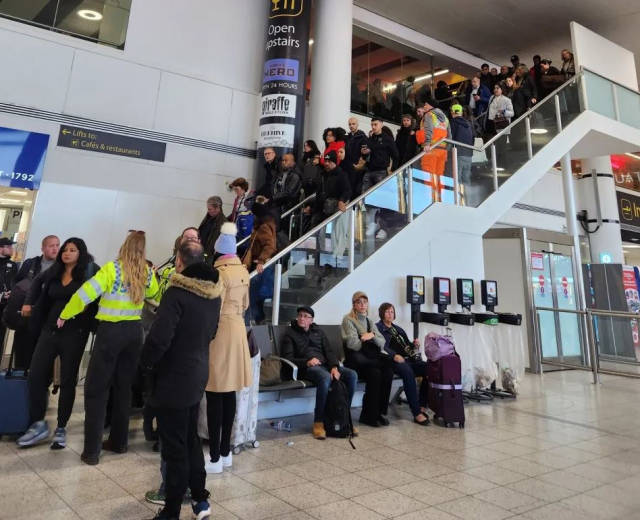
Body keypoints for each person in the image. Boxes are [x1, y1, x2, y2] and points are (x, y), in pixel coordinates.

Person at [59, 231, 159, 465]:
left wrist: (65, 314)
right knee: (124, 389)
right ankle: (119, 442)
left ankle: (92, 451)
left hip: (110, 333)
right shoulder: (145, 272)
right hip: (135, 334)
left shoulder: (111, 269)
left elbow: (85, 294)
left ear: (124, 246)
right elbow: (155, 295)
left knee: (96, 390)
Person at [140, 241, 222, 520]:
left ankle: (172, 510)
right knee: (190, 440)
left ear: (178, 262)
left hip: (173, 378)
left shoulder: (176, 294)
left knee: (174, 447)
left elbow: (159, 338)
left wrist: (145, 364)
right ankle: (200, 501)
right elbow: (212, 333)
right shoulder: (214, 295)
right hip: (198, 372)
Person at [16, 238, 98, 449]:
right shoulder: (53, 271)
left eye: (73, 250)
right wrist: (27, 303)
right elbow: (35, 285)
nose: (67, 253)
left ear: (81, 253)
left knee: (68, 381)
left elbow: (97, 297)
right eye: (65, 249)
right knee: (35, 375)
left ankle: (61, 427)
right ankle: (38, 423)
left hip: (75, 333)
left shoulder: (90, 272)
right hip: (49, 330)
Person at [205, 223, 252, 473]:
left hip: (220, 331)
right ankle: (225, 453)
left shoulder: (219, 273)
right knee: (230, 392)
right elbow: (245, 304)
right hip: (238, 330)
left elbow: (214, 307)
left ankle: (213, 458)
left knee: (214, 392)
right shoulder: (243, 271)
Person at [281, 305, 358, 440]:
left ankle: (344, 417)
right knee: (324, 377)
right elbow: (287, 358)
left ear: (311, 320)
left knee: (352, 375)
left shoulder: (319, 332)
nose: (301, 318)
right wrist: (307, 362)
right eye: (300, 315)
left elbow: (329, 352)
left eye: (305, 316)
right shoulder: (290, 334)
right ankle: (318, 422)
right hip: (306, 369)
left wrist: (334, 366)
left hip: (325, 366)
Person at [342, 291, 393, 427]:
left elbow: (382, 342)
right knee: (375, 374)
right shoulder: (348, 319)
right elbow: (352, 344)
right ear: (354, 305)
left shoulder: (369, 321)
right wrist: (363, 338)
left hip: (369, 360)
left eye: (364, 302)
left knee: (388, 369)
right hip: (355, 362)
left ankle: (379, 412)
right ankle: (369, 415)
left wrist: (371, 336)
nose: (362, 305)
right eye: (359, 302)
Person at [376, 303, 429, 426]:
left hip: (406, 359)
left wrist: (415, 345)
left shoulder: (398, 329)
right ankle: (416, 413)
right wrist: (394, 355)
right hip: (390, 361)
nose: (390, 314)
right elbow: (381, 346)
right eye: (387, 311)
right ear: (382, 313)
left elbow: (407, 346)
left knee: (429, 368)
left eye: (392, 312)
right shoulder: (378, 328)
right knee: (408, 372)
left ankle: (422, 405)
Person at [13, 235, 60, 369]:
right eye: (51, 246)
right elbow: (17, 283)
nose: (55, 249)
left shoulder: (61, 267)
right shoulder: (30, 263)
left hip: (48, 317)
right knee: (23, 350)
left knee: (41, 356)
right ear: (43, 248)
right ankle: (20, 378)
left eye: (57, 245)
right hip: (27, 315)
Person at [243, 197, 276, 325]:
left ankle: (253, 323)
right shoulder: (267, 224)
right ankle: (257, 322)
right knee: (255, 298)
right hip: (262, 266)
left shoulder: (263, 227)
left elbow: (270, 245)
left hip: (261, 266)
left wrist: (261, 260)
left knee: (253, 296)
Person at [416, 99, 451, 203]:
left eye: (426, 104)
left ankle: (430, 200)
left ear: (431, 106)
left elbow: (429, 130)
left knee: (429, 175)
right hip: (442, 150)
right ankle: (440, 198)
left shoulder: (429, 115)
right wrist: (447, 148)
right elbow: (449, 135)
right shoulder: (445, 118)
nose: (424, 107)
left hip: (431, 149)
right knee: (439, 176)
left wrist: (426, 143)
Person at [361, 117, 399, 193]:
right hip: (369, 171)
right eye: (372, 125)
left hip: (381, 171)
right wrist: (363, 153)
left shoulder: (388, 139)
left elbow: (396, 155)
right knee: (365, 197)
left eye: (375, 124)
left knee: (379, 196)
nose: (373, 127)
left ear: (381, 125)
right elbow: (366, 158)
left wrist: (393, 170)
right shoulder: (370, 139)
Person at [449, 104, 475, 204]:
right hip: (468, 154)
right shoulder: (468, 123)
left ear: (452, 112)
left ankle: (458, 201)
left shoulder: (452, 123)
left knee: (457, 178)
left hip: (457, 153)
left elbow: (451, 138)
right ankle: (468, 201)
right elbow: (473, 137)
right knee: (466, 178)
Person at [486, 83, 515, 166]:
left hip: (501, 125)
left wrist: (504, 111)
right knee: (493, 146)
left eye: (497, 88)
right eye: (494, 88)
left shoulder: (506, 100)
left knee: (502, 147)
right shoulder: (492, 98)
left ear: (502, 89)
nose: (495, 89)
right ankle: (495, 165)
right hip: (491, 124)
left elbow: (512, 113)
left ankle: (504, 165)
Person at [273, 153, 302, 233]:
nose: (283, 162)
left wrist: (274, 198)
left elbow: (289, 193)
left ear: (293, 162)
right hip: (280, 207)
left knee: (285, 232)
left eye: (286, 160)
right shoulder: (282, 173)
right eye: (282, 160)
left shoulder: (295, 175)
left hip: (289, 207)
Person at [344, 118, 368, 196]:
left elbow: (365, 154)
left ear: (357, 124)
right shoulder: (347, 138)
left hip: (358, 169)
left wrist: (359, 165)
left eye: (353, 124)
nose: (351, 126)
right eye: (350, 124)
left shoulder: (363, 137)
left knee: (355, 191)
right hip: (348, 167)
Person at [198, 196, 226, 261]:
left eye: (210, 209)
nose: (208, 211)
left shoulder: (223, 223)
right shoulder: (208, 217)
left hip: (210, 256)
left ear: (218, 208)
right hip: (201, 251)